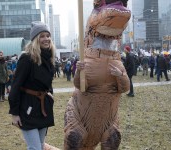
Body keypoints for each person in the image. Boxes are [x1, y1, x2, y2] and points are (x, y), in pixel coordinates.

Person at [64, 0, 130, 149]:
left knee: (113, 138)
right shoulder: (86, 61)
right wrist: (79, 71)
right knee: (74, 138)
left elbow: (124, 88)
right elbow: (80, 86)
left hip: (108, 120)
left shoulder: (117, 62)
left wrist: (120, 75)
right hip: (80, 119)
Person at [8, 22, 56, 150]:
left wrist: (50, 95)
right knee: (34, 147)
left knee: (40, 146)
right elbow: (16, 86)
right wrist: (14, 113)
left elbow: (48, 82)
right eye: (42, 36)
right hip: (27, 108)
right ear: (35, 39)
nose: (46, 39)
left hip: (43, 108)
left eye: (47, 36)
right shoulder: (27, 58)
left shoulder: (49, 57)